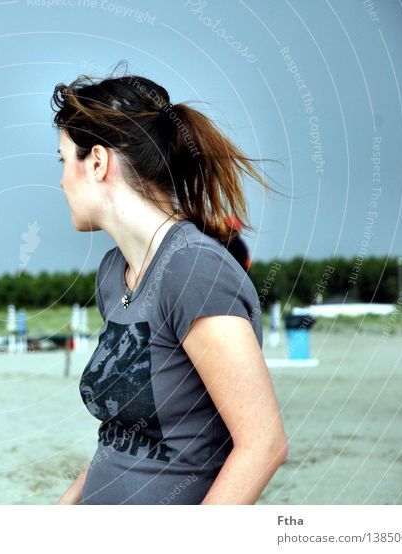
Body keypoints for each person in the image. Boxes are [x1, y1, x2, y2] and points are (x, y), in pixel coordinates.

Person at [52, 63, 288, 505]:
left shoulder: (193, 270)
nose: (61, 180)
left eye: (64, 161)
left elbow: (263, 445)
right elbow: (120, 440)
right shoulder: (112, 273)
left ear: (98, 162)